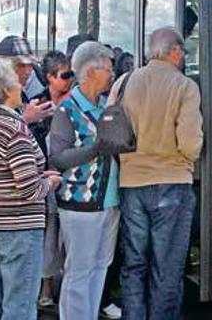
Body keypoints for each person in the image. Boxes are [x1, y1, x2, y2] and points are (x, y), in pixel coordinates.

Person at [112, 27, 203, 320]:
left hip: (130, 185)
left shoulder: (124, 83)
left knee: (134, 264)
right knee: (167, 270)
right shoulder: (185, 86)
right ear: (174, 51)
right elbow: (190, 145)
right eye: (183, 52)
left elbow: (110, 132)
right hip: (172, 185)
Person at [0, 58, 61, 320]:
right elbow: (29, 189)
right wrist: (50, 181)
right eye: (17, 83)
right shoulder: (14, 129)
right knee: (19, 304)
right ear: (7, 90)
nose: (22, 87)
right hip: (17, 224)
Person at [49, 41, 120, 320]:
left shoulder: (106, 106)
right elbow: (59, 157)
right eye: (108, 68)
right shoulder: (67, 111)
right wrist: (95, 149)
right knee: (79, 271)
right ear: (91, 71)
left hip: (108, 201)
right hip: (80, 204)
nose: (111, 74)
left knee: (101, 266)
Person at [30, 50, 73, 309]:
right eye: (64, 75)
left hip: (69, 175)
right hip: (47, 177)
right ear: (49, 77)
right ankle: (46, 285)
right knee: (49, 232)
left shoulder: (75, 101)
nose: (69, 80)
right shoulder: (38, 105)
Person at [0, 35, 55, 125]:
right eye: (20, 65)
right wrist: (26, 119)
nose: (28, 71)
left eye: (30, 65)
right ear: (3, 66)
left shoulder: (19, 94)